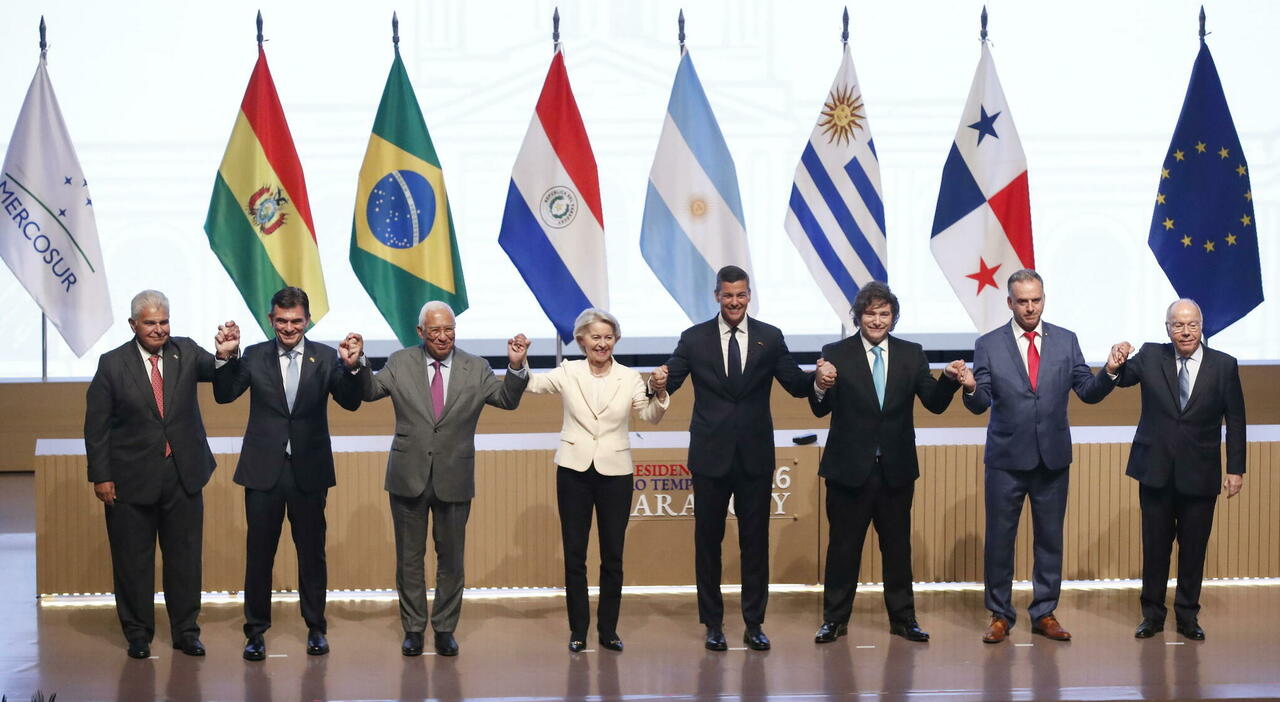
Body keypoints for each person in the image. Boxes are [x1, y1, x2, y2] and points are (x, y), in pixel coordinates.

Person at [350, 301, 529, 657]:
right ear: (421, 332)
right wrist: (357, 364)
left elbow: (507, 399)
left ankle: (445, 629)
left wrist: (515, 365)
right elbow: (370, 391)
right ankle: (414, 629)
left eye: (449, 329)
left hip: (454, 476)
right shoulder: (400, 362)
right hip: (408, 476)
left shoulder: (476, 367)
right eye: (435, 330)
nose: (443, 336)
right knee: (409, 559)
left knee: (451, 559)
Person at [652, 265, 816, 651]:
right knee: (708, 543)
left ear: (749, 296)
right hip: (709, 458)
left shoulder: (769, 337)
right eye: (727, 295)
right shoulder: (694, 339)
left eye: (740, 295)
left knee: (754, 543)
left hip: (754, 458)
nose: (734, 302)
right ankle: (713, 623)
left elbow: (796, 384)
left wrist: (820, 377)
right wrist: (656, 382)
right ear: (717, 296)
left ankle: (754, 623)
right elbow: (670, 379)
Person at [960, 269, 1126, 643]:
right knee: (1000, 540)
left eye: (1036, 300)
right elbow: (980, 401)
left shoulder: (1066, 340)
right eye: (1022, 301)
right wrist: (970, 387)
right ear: (1009, 302)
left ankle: (1044, 612)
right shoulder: (988, 344)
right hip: (1006, 461)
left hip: (1052, 458)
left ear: (1044, 299)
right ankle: (1000, 615)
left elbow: (1088, 391)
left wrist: (1110, 371)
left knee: (1050, 540)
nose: (1030, 307)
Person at [808, 281, 966, 644]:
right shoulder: (836, 353)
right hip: (848, 471)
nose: (877, 320)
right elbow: (819, 408)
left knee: (897, 549)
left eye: (884, 313)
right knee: (843, 549)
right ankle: (835, 620)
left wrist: (949, 379)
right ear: (857, 316)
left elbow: (934, 403)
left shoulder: (912, 354)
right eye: (870, 313)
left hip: (896, 470)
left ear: (893, 317)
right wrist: (819, 383)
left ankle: (903, 619)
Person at [212, 286, 365, 661]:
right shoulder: (254, 355)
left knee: (312, 554)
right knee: (259, 555)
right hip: (263, 470)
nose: (289, 328)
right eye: (281, 321)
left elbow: (350, 402)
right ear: (271, 320)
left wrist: (352, 367)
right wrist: (225, 357)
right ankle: (255, 632)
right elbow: (225, 394)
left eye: (296, 321)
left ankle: (316, 628)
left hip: (309, 472)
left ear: (307, 320)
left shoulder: (326, 357)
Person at [84, 290, 236, 659]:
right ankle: (138, 634)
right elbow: (96, 427)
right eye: (150, 323)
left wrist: (225, 355)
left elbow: (222, 381)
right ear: (133, 324)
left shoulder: (187, 351)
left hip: (183, 475)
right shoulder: (112, 364)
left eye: (163, 322)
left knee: (185, 560)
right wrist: (101, 476)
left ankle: (186, 632)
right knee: (133, 562)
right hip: (130, 480)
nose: (158, 329)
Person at [521, 308, 670, 653]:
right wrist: (519, 361)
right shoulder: (568, 372)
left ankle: (608, 630)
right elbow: (533, 384)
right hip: (573, 471)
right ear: (581, 340)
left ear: (615, 340)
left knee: (612, 556)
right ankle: (578, 630)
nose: (602, 343)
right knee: (575, 555)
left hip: (616, 474)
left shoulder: (630, 378)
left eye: (608, 337)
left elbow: (649, 416)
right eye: (595, 337)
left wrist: (659, 393)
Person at [1113, 299, 1245, 641]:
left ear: (1202, 326)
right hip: (1155, 471)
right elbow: (1122, 378)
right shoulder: (1151, 356)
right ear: (1167, 328)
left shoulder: (1224, 365)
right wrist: (1115, 362)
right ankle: (1152, 616)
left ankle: (1187, 616)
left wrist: (1236, 469)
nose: (1185, 331)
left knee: (1193, 549)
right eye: (1178, 325)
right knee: (1155, 548)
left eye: (1192, 325)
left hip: (1201, 473)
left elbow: (1236, 419)